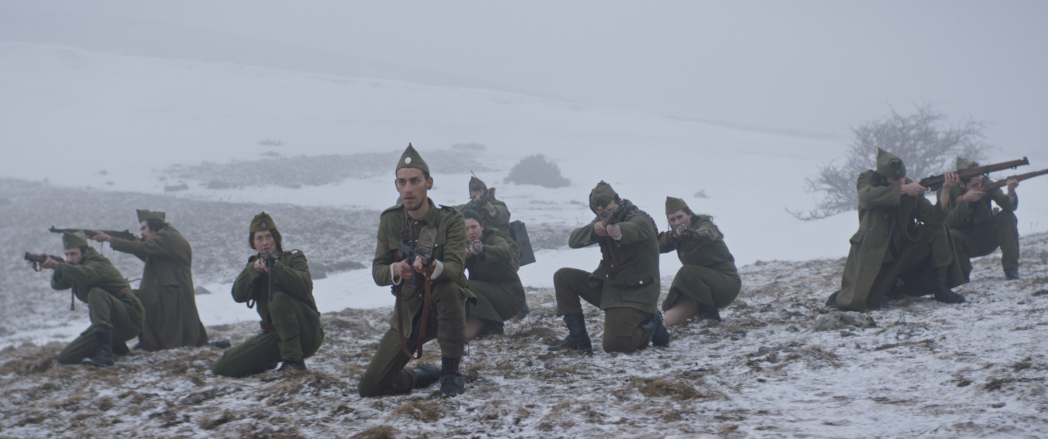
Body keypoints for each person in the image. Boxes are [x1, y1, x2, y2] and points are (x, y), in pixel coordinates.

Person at [359, 144, 476, 398]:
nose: (408, 188)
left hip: (447, 308)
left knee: (449, 288)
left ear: (429, 182)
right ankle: (422, 375)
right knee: (370, 388)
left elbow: (456, 269)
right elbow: (378, 270)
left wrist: (434, 268)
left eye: (415, 180)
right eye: (402, 182)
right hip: (409, 313)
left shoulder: (450, 219)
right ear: (396, 186)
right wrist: (395, 269)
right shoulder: (390, 220)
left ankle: (450, 372)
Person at [827, 148, 967, 311]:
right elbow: (866, 196)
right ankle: (846, 294)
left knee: (937, 230)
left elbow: (933, 218)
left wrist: (946, 190)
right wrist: (903, 190)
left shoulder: (912, 187)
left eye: (903, 177)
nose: (902, 181)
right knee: (864, 301)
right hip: (876, 255)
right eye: (895, 179)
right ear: (883, 179)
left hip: (903, 251)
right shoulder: (867, 180)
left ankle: (940, 288)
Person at [550, 181, 668, 353]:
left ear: (619, 201)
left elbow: (634, 229)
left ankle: (652, 325)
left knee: (615, 345)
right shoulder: (601, 221)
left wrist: (617, 231)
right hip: (612, 289)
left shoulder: (640, 218)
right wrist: (595, 229)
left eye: (608, 211)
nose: (604, 215)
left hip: (637, 294)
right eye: (600, 214)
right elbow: (574, 240)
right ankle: (577, 338)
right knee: (563, 276)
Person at [211, 213, 323, 377]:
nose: (265, 243)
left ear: (276, 238)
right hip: (275, 336)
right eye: (259, 238)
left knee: (277, 299)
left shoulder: (294, 258)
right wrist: (253, 270)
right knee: (222, 366)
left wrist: (278, 268)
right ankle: (268, 360)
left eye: (269, 237)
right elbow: (238, 295)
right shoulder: (254, 266)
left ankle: (294, 363)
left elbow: (305, 286)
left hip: (306, 333)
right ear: (253, 243)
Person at [90, 209, 209, 351]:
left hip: (170, 293)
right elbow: (151, 258)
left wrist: (110, 239)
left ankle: (136, 343)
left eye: (144, 228)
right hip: (167, 291)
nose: (142, 233)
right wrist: (134, 244)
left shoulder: (167, 237)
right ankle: (137, 341)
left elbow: (144, 248)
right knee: (132, 300)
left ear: (154, 225)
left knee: (139, 305)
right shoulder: (167, 238)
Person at [40, 231, 144, 367]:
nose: (69, 259)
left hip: (130, 318)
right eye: (67, 255)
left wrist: (57, 266)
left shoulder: (98, 263)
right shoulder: (76, 267)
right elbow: (57, 285)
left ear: (86, 252)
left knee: (96, 293)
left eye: (73, 254)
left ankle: (105, 354)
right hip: (113, 324)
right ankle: (117, 347)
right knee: (67, 357)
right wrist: (58, 267)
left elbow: (87, 274)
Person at [456, 176, 530, 319]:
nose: (477, 199)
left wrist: (486, 204)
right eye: (473, 196)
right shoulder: (470, 208)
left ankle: (516, 304)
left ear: (487, 193)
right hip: (477, 249)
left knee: (502, 276)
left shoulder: (497, 205)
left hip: (502, 247)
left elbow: (499, 214)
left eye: (480, 195)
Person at [659, 197, 740, 326]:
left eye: (680, 217)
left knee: (687, 271)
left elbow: (707, 233)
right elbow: (656, 246)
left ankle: (709, 316)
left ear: (690, 214)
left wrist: (690, 233)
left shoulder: (704, 225)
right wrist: (672, 235)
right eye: (672, 220)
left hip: (726, 284)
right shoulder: (677, 234)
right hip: (699, 288)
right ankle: (699, 311)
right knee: (670, 321)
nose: (677, 222)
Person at [939, 157, 1022, 280]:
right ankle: (962, 274)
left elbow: (1008, 207)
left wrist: (1011, 191)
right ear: (961, 183)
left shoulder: (986, 184)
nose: (979, 186)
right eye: (974, 185)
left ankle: (1011, 269)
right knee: (950, 235)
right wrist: (965, 201)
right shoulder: (947, 191)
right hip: (965, 240)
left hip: (988, 236)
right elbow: (948, 224)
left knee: (1007, 217)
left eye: (980, 182)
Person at [461, 209, 526, 339]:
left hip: (510, 295)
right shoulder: (463, 245)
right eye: (466, 229)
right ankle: (485, 326)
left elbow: (506, 252)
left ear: (482, 226)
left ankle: (494, 326)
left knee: (467, 286)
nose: (471, 232)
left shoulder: (493, 237)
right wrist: (463, 257)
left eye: (474, 227)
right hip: (485, 300)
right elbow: (454, 272)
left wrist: (482, 249)